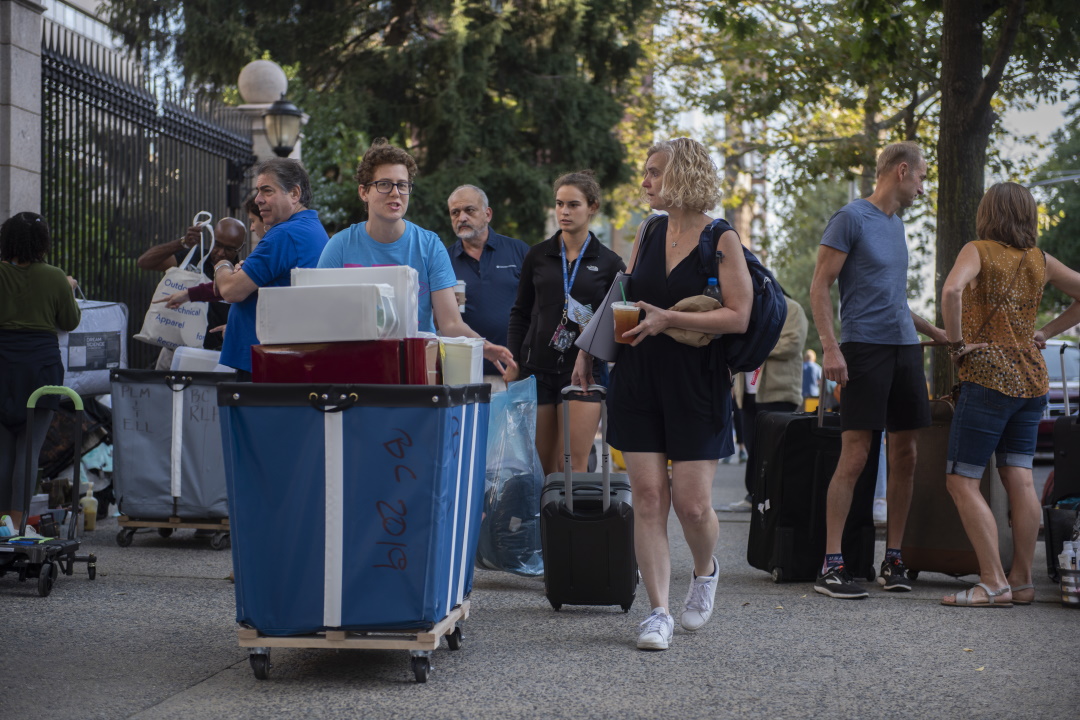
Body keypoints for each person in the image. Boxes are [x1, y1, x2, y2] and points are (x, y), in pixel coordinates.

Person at [578, 138, 752, 650]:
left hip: (696, 381)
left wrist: (669, 318)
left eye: (654, 172)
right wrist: (589, 348)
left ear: (683, 176)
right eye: (646, 172)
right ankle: (657, 612)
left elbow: (738, 316)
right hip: (638, 374)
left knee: (693, 505)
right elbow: (626, 293)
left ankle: (705, 570)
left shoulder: (721, 239)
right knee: (649, 497)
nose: (646, 181)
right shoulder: (649, 230)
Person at [809, 141, 947, 599]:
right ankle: (831, 564)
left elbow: (895, 300)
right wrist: (831, 348)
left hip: (905, 349)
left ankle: (894, 559)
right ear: (902, 171)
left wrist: (938, 332)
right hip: (863, 348)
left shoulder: (897, 224)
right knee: (856, 456)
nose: (923, 187)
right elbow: (820, 287)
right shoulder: (852, 218)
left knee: (906, 456)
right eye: (923, 177)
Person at [939, 182, 1080, 607]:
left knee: (961, 481)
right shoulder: (1041, 260)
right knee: (1019, 477)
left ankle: (992, 581)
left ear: (989, 213)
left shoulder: (978, 250)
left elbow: (951, 291)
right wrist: (1045, 333)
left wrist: (957, 344)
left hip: (987, 380)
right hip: (1032, 381)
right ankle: (1021, 580)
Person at [317, 139, 515, 375]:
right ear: (364, 192)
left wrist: (485, 347)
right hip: (355, 370)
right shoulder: (339, 246)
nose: (395, 193)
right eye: (384, 184)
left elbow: (450, 323)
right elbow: (321, 319)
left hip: (415, 370)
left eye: (402, 185)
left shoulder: (429, 246)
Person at [504, 171, 625, 475]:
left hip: (584, 373)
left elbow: (620, 321)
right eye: (559, 204)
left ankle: (576, 524)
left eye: (573, 204)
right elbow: (520, 312)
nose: (564, 212)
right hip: (538, 370)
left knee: (570, 466)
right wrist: (515, 360)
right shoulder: (538, 255)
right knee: (545, 468)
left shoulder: (610, 263)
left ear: (592, 207)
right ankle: (547, 524)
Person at [209, 158, 328, 379]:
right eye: (258, 191)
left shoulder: (284, 234)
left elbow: (231, 290)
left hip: (264, 364)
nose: (258, 199)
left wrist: (222, 263)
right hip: (281, 359)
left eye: (267, 191)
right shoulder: (311, 227)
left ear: (294, 193)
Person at [0, 212, 81, 529]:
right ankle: (19, 524)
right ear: (43, 243)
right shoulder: (55, 276)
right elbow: (70, 321)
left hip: (3, 367)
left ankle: (2, 522)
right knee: (28, 450)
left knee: (4, 451)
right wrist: (69, 287)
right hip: (40, 370)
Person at [724, 296, 808, 512]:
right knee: (754, 446)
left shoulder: (792, 308)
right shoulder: (747, 307)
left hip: (778, 390)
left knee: (776, 449)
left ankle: (777, 500)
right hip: (749, 392)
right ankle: (753, 495)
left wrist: (755, 348)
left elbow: (793, 343)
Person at [447, 185, 530, 391]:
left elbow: (537, 308)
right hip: (463, 374)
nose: (462, 218)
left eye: (469, 210)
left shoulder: (518, 251)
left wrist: (523, 361)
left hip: (513, 372)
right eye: (455, 213)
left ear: (488, 213)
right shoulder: (444, 261)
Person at [137, 216, 246, 363]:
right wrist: (182, 243)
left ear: (241, 248)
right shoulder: (193, 257)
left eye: (229, 249)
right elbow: (144, 262)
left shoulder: (242, 275)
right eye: (217, 245)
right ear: (212, 237)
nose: (221, 253)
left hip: (214, 358)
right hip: (174, 352)